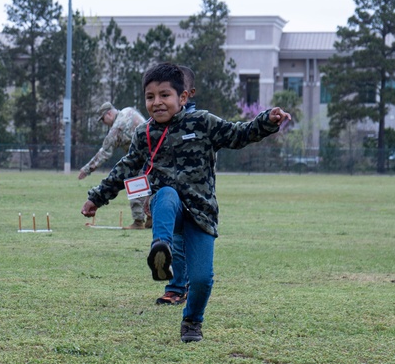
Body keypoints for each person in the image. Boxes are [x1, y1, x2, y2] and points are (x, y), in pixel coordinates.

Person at [81, 62, 292, 343]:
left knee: (203, 279)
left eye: (164, 95)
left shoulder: (202, 122)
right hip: (167, 210)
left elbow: (238, 134)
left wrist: (267, 120)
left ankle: (192, 321)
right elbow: (125, 167)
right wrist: (96, 197)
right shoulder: (144, 133)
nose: (156, 103)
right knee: (166, 193)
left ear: (182, 98)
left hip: (201, 212)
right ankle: (161, 247)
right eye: (150, 97)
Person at [156, 65, 197, 306]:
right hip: (168, 197)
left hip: (194, 198)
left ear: (186, 94)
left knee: (184, 242)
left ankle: (182, 286)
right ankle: (177, 286)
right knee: (172, 239)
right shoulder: (158, 125)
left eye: (167, 93)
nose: (161, 101)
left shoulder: (199, 124)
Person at [78, 102, 149, 229]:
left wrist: (87, 169)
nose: (104, 123)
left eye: (103, 119)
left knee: (135, 185)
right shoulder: (128, 110)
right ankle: (151, 218)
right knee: (152, 187)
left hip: (141, 159)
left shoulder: (117, 127)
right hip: (155, 155)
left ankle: (139, 221)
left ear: (109, 113)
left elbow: (104, 153)